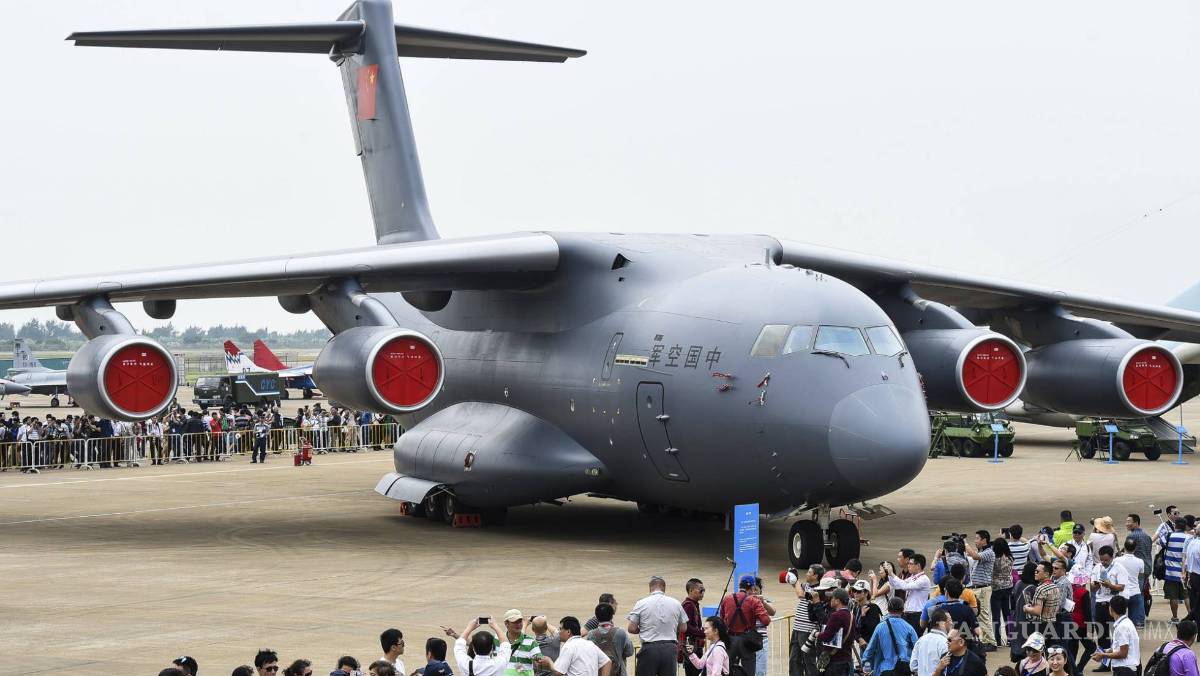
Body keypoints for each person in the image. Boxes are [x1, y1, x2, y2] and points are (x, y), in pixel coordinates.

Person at [628, 576, 688, 676]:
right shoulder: (676, 603)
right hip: (670, 649)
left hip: (649, 649)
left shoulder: (641, 603)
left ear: (650, 588)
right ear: (664, 587)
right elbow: (683, 628)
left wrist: (642, 629)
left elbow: (631, 628)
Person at [719, 575, 771, 676]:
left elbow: (722, 619)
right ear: (752, 588)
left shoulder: (727, 599)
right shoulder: (754, 601)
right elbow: (766, 621)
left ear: (739, 585)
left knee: (727, 671)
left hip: (731, 640)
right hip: (747, 641)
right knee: (749, 671)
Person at [1091, 545, 1132, 669]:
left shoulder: (1119, 568)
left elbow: (1121, 587)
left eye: (1106, 560)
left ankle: (1116, 661)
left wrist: (1110, 585)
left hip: (1113, 604)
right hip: (1100, 603)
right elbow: (1092, 588)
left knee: (1116, 634)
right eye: (1101, 560)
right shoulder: (1097, 568)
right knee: (1101, 634)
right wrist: (1097, 585)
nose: (1103, 562)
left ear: (1112, 557)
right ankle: (1104, 664)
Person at [862, 597, 917, 676]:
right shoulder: (909, 628)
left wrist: (866, 666)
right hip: (905, 669)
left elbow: (870, 650)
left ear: (887, 609)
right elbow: (916, 649)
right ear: (902, 610)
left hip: (886, 669)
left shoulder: (880, 627)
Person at [539, 616, 612, 676]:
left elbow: (558, 672)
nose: (559, 632)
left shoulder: (569, 646)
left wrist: (549, 662)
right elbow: (607, 662)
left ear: (568, 632)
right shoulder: (590, 644)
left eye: (561, 629)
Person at [790, 564, 826, 676]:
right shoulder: (806, 585)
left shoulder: (819, 590)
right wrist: (792, 576)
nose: (806, 574)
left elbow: (800, 595)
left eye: (809, 572)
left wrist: (796, 581)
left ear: (815, 576)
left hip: (808, 631)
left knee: (808, 661)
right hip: (797, 628)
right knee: (794, 659)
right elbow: (795, 585)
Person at [965, 532, 998, 649]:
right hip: (978, 588)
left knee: (983, 615)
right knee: (980, 615)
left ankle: (991, 642)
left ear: (984, 540)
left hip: (983, 588)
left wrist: (965, 543)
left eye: (977, 538)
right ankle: (985, 640)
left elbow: (974, 556)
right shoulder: (982, 551)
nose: (975, 541)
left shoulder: (989, 552)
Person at [884, 553, 932, 634]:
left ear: (918, 565)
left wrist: (892, 574)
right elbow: (896, 585)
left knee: (913, 639)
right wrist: (889, 574)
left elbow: (904, 586)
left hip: (917, 615)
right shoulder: (913, 577)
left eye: (910, 563)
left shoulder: (924, 579)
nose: (908, 565)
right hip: (908, 614)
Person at [1090, 596, 1138, 676]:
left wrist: (1103, 655)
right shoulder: (1126, 622)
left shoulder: (1122, 627)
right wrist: (1106, 651)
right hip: (1126, 669)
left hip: (1124, 670)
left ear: (1111, 609)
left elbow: (1123, 653)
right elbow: (1121, 646)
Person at [817, 588, 855, 676]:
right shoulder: (851, 615)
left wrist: (817, 634)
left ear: (837, 601)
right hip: (846, 659)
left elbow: (826, 636)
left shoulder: (836, 616)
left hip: (835, 662)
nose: (831, 600)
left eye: (832, 598)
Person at [587, 604, 633, 676]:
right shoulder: (621, 632)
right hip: (619, 673)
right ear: (612, 616)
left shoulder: (591, 634)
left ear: (596, 617)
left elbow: (590, 656)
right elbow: (629, 652)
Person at [1023, 562, 1062, 638]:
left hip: (1041, 626)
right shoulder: (1055, 587)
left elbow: (1037, 611)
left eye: (1038, 571)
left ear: (1046, 574)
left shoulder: (1040, 589)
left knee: (1038, 649)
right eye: (1035, 571)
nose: (1035, 573)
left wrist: (1026, 608)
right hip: (1053, 624)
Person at [1125, 514, 1154, 618]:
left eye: (1129, 521)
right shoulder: (1147, 536)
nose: (1126, 524)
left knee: (1138, 593)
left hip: (1138, 569)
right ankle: (1140, 618)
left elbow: (1128, 552)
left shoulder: (1131, 536)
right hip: (1148, 567)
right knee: (1141, 592)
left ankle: (1139, 619)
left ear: (1136, 523)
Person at [501, 608, 544, 676]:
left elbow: (539, 664)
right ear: (506, 623)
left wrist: (539, 662)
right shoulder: (497, 639)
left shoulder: (531, 642)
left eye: (520, 621)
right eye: (514, 622)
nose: (518, 624)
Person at [1113, 539, 1145, 628]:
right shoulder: (1140, 561)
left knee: (1119, 621)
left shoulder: (1117, 560)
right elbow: (1140, 576)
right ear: (1135, 548)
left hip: (1121, 593)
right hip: (1135, 592)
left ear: (1124, 547)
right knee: (1133, 623)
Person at [990, 538, 1015, 647]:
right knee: (1007, 613)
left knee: (996, 615)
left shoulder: (994, 559)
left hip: (996, 587)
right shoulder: (1010, 557)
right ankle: (1011, 638)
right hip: (1008, 586)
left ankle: (997, 639)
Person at [911, 609, 951, 676]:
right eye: (949, 620)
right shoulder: (945, 642)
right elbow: (947, 669)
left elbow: (913, 666)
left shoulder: (920, 640)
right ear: (942, 623)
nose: (952, 623)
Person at [1164, 519, 1190, 623]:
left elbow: (1160, 542)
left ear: (1175, 526)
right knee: (1187, 595)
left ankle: (1175, 617)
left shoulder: (1169, 536)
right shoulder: (1188, 538)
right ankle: (1191, 616)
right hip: (1185, 572)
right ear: (1185, 526)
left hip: (1171, 573)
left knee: (1173, 596)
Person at [682, 579, 706, 676]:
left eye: (703, 590)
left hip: (695, 647)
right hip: (691, 648)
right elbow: (686, 627)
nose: (703, 592)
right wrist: (703, 633)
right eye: (700, 589)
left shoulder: (693, 605)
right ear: (691, 590)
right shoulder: (688, 606)